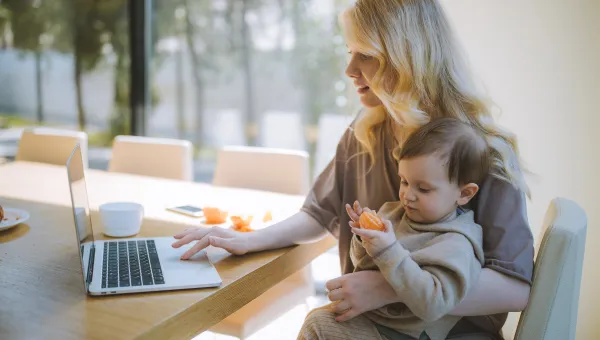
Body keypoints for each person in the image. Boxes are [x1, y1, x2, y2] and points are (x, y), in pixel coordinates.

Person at [171, 0, 534, 338]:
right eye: (349, 53)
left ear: (407, 57)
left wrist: (388, 288)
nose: (349, 70)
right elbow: (320, 213)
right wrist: (249, 240)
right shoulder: (365, 131)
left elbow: (515, 288)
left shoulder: (483, 151)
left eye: (366, 55)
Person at [299, 118, 490, 340]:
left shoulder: (456, 243)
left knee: (319, 325)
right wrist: (364, 239)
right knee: (320, 316)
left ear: (464, 193)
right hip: (373, 321)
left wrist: (388, 249)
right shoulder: (395, 213)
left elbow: (434, 304)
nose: (407, 195)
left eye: (423, 188)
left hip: (403, 334)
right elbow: (363, 266)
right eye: (404, 181)